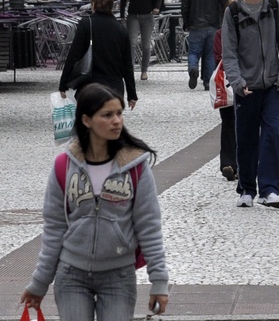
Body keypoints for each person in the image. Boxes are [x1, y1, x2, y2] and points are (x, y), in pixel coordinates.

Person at [21, 83, 169, 319]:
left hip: (119, 276)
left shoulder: (135, 166)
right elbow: (54, 228)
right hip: (71, 275)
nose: (117, 121)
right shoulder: (64, 166)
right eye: (107, 115)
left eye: (119, 113)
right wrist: (39, 283)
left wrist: (159, 281)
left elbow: (149, 225)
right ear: (87, 120)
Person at [221, 0, 279, 208]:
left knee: (271, 136)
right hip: (247, 86)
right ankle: (247, 189)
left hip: (272, 84)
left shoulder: (275, 6)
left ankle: (270, 189)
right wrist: (237, 82)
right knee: (247, 138)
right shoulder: (233, 12)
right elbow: (228, 53)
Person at [59, 0, 137, 109]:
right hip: (114, 88)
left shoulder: (86, 24)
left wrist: (63, 84)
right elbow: (127, 64)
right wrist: (132, 94)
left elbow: (73, 55)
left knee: (88, 123)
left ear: (94, 4)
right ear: (111, 6)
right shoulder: (121, 29)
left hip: (90, 87)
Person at [181, 0, 230, 90]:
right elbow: (227, 4)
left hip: (196, 26)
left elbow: (184, 8)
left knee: (193, 52)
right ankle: (208, 81)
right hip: (213, 26)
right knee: (210, 54)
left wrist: (186, 23)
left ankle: (193, 68)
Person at [119, 0, 162, 81]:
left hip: (147, 16)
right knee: (131, 43)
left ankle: (144, 70)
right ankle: (130, 69)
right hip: (133, 16)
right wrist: (122, 15)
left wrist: (156, 8)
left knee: (146, 45)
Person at [214, 0, 238, 182]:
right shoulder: (220, 35)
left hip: (247, 83)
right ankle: (228, 163)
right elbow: (218, 58)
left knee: (243, 125)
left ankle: (240, 162)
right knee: (228, 123)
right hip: (228, 84)